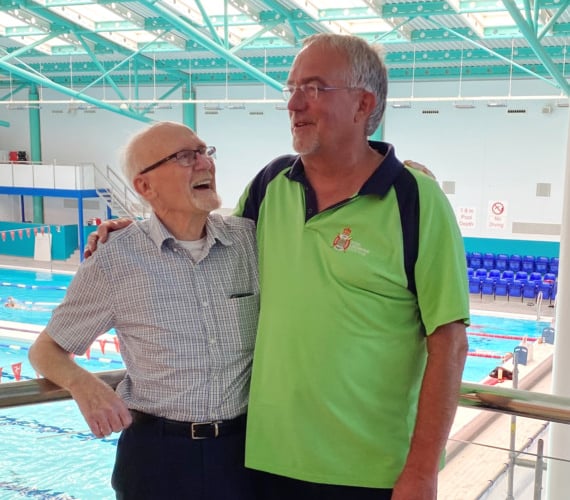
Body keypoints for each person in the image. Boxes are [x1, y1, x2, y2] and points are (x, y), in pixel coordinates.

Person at [87, 34, 469, 500]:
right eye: (291, 88)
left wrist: (422, 471)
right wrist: (144, 227)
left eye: (314, 88)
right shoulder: (271, 185)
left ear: (362, 104)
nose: (293, 103)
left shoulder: (415, 200)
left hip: (371, 472)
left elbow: (449, 342)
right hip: (263, 464)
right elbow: (209, 238)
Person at [29, 122, 260, 500]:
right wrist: (82, 384)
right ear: (145, 186)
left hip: (243, 452)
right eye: (185, 157)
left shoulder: (249, 241)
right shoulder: (114, 260)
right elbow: (45, 350)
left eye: (205, 151)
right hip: (157, 456)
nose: (205, 163)